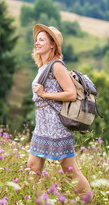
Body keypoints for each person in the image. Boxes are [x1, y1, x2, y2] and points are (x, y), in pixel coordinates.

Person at [27, 24, 91, 197]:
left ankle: (88, 201)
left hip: (56, 127)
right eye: (36, 40)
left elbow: (71, 94)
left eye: (42, 40)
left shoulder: (57, 66)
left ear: (52, 44)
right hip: (42, 126)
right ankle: (34, 200)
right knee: (33, 167)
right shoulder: (43, 66)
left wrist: (45, 94)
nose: (37, 43)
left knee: (70, 171)